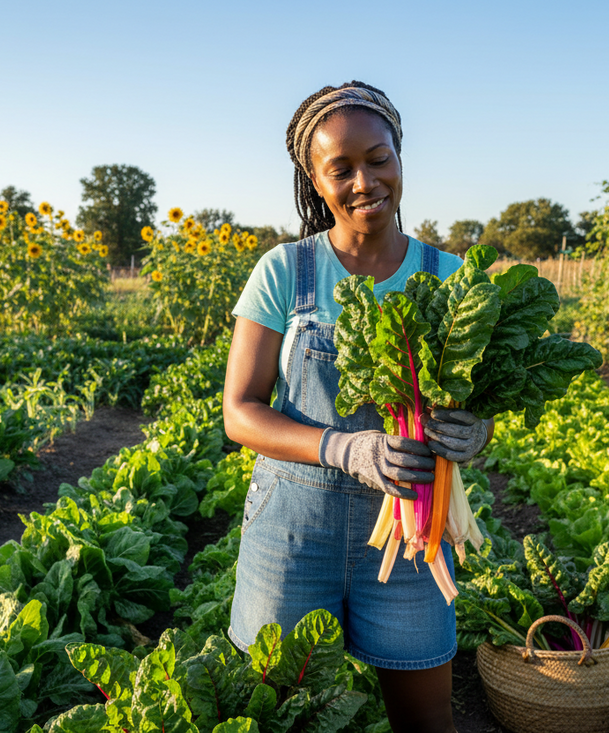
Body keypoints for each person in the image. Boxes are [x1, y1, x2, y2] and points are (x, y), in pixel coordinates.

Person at [222, 81, 491, 733]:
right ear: (314, 181)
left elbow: (482, 397)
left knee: (427, 720)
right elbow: (240, 411)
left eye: (378, 158)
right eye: (339, 168)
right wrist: (345, 447)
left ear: (400, 158)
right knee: (280, 714)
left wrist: (475, 430)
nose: (364, 180)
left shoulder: (453, 275)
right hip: (292, 525)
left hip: (412, 534)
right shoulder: (287, 270)